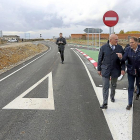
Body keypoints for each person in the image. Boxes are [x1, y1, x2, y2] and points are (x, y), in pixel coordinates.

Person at [98, 34, 125, 109]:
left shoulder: (120, 48)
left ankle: (112, 96)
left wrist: (123, 68)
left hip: (115, 69)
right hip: (105, 70)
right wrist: (99, 69)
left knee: (113, 85)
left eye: (117, 39)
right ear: (110, 40)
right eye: (116, 39)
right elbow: (100, 59)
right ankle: (105, 103)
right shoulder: (103, 47)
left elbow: (123, 61)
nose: (117, 41)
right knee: (105, 86)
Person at [116, 37, 140, 110]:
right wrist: (121, 57)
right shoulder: (128, 49)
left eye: (132, 42)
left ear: (136, 43)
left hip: (139, 71)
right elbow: (124, 59)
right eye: (130, 42)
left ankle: (138, 92)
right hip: (131, 71)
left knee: (139, 85)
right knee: (130, 87)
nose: (130, 44)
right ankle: (129, 103)